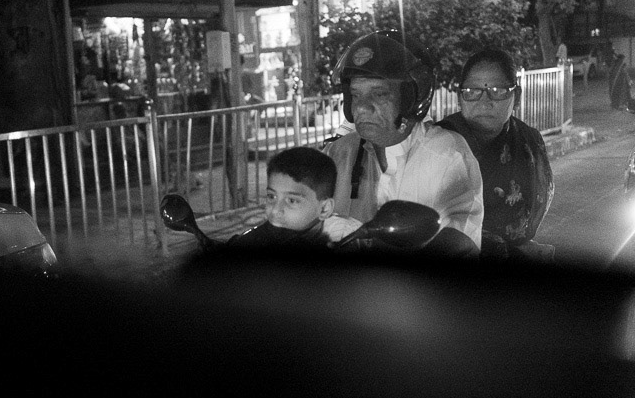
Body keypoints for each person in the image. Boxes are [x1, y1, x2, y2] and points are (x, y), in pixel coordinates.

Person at [323, 31, 484, 250]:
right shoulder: (338, 153)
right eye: (355, 94)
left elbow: (460, 246)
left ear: (411, 98)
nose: (361, 107)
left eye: (379, 94)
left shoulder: (447, 156)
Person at [436, 48, 554, 261]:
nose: (484, 102)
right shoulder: (438, 144)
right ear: (460, 97)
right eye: (472, 91)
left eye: (498, 91)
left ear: (516, 97)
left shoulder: (529, 142)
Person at [228, 146, 362, 249]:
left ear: (324, 209)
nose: (275, 210)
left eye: (292, 201)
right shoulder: (253, 240)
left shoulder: (351, 237)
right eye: (271, 196)